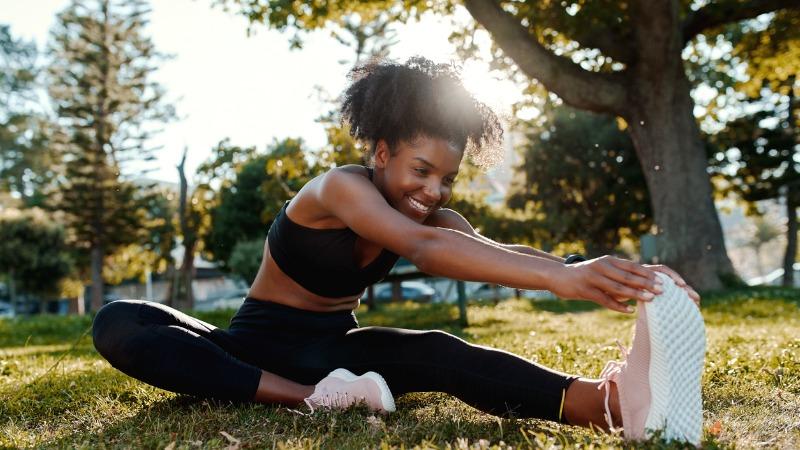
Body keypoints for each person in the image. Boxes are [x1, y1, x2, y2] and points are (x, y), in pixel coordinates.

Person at [92, 57, 705, 444]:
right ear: (381, 152)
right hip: (252, 348)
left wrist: (599, 271)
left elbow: (493, 250)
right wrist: (562, 283)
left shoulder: (438, 217)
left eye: (445, 178)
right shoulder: (339, 188)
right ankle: (311, 401)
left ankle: (610, 404)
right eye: (420, 169)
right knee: (120, 321)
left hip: (340, 353)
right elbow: (420, 247)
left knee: (440, 351)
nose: (431, 190)